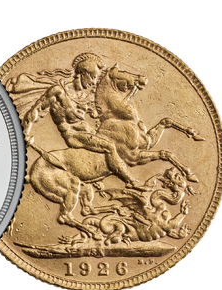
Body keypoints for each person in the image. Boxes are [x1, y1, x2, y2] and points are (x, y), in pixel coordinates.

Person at [18, 52, 142, 190]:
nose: (94, 82)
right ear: (83, 73)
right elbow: (36, 109)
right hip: (73, 135)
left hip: (89, 132)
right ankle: (131, 181)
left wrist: (132, 88)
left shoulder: (88, 94)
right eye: (93, 77)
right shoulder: (59, 92)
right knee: (109, 147)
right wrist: (25, 132)